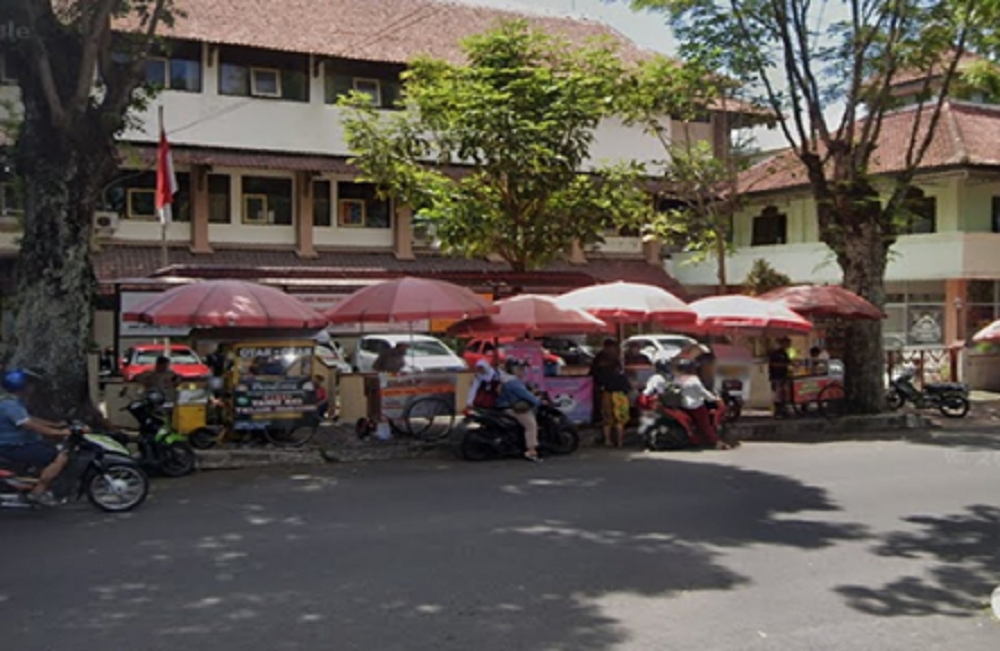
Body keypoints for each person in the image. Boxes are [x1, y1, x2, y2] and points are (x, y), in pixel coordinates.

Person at [0, 369, 74, 504]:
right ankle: (38, 491)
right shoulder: (9, 404)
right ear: (21, 386)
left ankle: (34, 481)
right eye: (29, 384)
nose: (32, 387)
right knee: (60, 455)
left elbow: (31, 419)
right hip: (13, 446)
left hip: (20, 444)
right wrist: (57, 432)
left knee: (47, 448)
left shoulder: (14, 402)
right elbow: (28, 424)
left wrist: (56, 425)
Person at [673, 358, 730, 450]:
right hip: (696, 406)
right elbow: (702, 392)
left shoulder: (678, 379)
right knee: (705, 424)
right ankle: (715, 441)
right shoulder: (694, 379)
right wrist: (715, 399)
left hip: (683, 405)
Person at [495, 359, 542, 462]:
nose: (522, 371)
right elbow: (526, 396)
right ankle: (531, 451)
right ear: (512, 369)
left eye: (523, 368)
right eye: (520, 368)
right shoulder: (513, 382)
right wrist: (538, 401)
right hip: (510, 408)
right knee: (531, 425)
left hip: (505, 407)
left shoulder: (508, 380)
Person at [590, 339, 631, 448]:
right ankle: (613, 441)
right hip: (611, 393)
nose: (613, 350)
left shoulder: (614, 360)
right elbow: (593, 374)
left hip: (610, 392)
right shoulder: (601, 359)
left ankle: (615, 441)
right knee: (614, 419)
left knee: (613, 419)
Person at [768, 337, 793, 417]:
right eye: (787, 343)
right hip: (776, 376)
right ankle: (777, 411)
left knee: (784, 394)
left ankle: (783, 409)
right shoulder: (775, 353)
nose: (788, 345)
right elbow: (773, 364)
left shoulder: (785, 353)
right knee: (777, 394)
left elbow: (789, 362)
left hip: (784, 376)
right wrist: (785, 365)